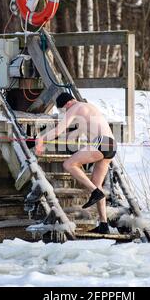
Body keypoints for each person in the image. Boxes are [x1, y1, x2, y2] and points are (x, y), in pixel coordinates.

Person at [35, 92, 117, 234]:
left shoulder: (75, 107)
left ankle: (95, 192)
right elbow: (70, 135)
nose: (66, 112)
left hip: (101, 143)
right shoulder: (88, 108)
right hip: (112, 145)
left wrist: (41, 139)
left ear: (67, 103)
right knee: (97, 182)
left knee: (69, 164)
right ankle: (104, 225)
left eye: (64, 110)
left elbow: (59, 130)